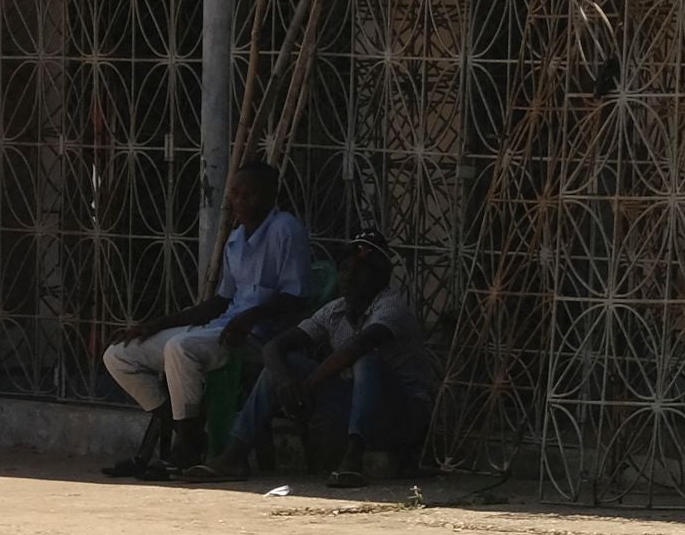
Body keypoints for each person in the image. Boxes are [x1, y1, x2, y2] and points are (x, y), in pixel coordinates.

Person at [101, 158, 312, 479]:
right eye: (234, 194)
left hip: (257, 336)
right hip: (222, 327)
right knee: (120, 354)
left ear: (269, 195)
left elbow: (297, 296)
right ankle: (184, 428)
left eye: (247, 194)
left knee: (181, 348)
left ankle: (185, 445)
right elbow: (220, 302)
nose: (238, 202)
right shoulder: (235, 239)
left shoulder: (286, 230)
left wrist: (250, 317)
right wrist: (155, 324)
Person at [212, 239, 438, 486]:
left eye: (359, 270)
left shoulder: (391, 306)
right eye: (344, 269)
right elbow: (274, 347)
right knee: (280, 366)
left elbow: (357, 348)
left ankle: (353, 459)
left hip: (402, 414)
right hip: (355, 407)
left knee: (366, 360)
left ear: (380, 276)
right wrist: (288, 383)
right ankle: (234, 455)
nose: (349, 277)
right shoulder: (335, 310)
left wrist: (307, 386)